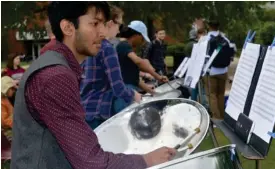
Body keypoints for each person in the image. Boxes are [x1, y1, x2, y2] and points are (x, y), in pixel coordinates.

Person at [11, 2, 176, 169]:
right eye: (95, 23)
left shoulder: (57, 65)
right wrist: (147, 160)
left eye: (104, 24)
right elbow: (91, 162)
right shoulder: (56, 77)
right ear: (68, 28)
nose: (103, 33)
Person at [80, 6, 142, 129]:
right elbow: (118, 88)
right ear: (110, 23)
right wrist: (133, 95)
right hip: (98, 112)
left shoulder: (89, 45)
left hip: (84, 109)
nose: (119, 31)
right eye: (119, 25)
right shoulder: (107, 49)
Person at [116, 21, 169, 95]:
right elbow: (139, 62)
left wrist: (154, 93)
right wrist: (156, 75)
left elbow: (135, 79)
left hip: (131, 90)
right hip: (124, 92)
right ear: (137, 35)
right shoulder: (124, 45)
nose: (142, 41)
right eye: (142, 38)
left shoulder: (128, 50)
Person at [203, 20, 233, 120]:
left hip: (211, 71)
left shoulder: (205, 39)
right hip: (223, 71)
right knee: (221, 94)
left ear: (208, 26)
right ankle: (222, 115)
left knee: (212, 95)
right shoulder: (225, 39)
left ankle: (216, 117)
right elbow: (231, 54)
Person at [1, 76, 17, 141]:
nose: (13, 91)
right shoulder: (1, 102)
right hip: (6, 130)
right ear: (6, 89)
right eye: (12, 89)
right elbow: (4, 121)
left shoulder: (5, 98)